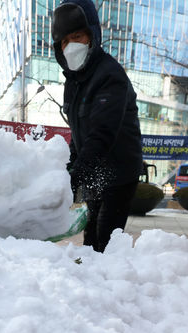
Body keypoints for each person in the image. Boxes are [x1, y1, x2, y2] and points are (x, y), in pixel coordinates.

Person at [51, 0, 144, 253]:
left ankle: (109, 284)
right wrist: (68, 164)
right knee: (89, 237)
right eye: (64, 41)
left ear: (92, 35)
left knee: (105, 238)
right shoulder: (73, 81)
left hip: (119, 170)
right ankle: (90, 280)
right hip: (95, 170)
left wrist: (74, 177)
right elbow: (79, 133)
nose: (70, 46)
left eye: (77, 36)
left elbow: (102, 133)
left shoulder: (109, 74)